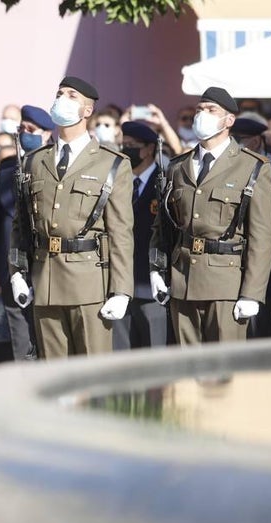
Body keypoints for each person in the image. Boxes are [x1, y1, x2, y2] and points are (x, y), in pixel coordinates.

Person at [8, 76, 134, 358]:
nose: (62, 99)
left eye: (71, 95)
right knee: (55, 378)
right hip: (45, 280)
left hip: (89, 282)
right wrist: (17, 271)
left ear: (87, 110)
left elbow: (120, 232)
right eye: (60, 93)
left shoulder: (110, 163)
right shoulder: (34, 161)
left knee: (92, 374)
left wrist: (121, 289)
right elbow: (21, 223)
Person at [149, 87, 271, 346]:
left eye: (210, 110)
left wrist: (252, 293)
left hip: (226, 284)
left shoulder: (251, 167)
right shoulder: (177, 166)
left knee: (224, 372)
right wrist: (156, 269)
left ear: (229, 120)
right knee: (187, 371)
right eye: (199, 110)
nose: (201, 115)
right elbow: (162, 227)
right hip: (182, 279)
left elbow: (262, 237)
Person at [0, 104, 52, 361]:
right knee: (20, 341)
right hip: (12, 266)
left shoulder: (55, 167)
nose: (25, 133)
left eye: (32, 129)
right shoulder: (6, 170)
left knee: (48, 339)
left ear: (47, 134)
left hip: (46, 266)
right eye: (22, 128)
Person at [229, 117, 271, 338]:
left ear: (257, 142)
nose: (235, 144)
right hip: (224, 272)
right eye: (232, 139)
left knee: (259, 336)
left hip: (263, 273)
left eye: (241, 140)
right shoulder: (223, 175)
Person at [112, 119, 168, 350]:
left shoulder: (165, 182)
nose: (126, 150)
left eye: (132, 145)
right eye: (123, 144)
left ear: (149, 149)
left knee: (155, 352)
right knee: (120, 355)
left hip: (151, 282)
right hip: (119, 284)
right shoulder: (116, 180)